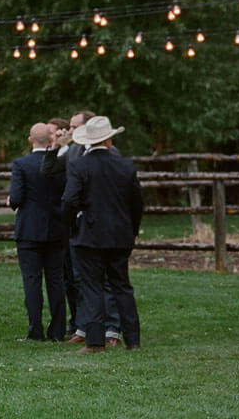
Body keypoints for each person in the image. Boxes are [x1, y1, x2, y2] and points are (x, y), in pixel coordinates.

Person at [61, 115, 144, 352]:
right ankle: (133, 340)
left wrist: (71, 227)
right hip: (120, 234)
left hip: (89, 234)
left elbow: (68, 200)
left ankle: (95, 341)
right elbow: (137, 203)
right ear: (108, 140)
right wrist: (133, 229)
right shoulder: (126, 166)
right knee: (122, 286)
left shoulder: (79, 166)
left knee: (92, 287)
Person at [9, 122, 67, 341]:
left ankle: (35, 330)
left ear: (30, 140)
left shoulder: (21, 164)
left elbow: (16, 198)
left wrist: (11, 201)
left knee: (32, 281)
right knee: (56, 280)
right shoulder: (61, 164)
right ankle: (58, 330)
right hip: (55, 227)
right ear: (51, 140)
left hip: (29, 230)